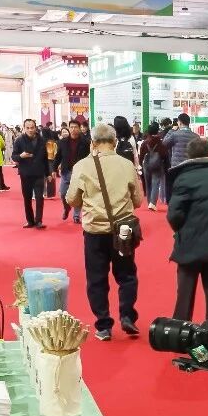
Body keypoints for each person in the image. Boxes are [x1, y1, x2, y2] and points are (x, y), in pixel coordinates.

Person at [66, 123, 144, 341]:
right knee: (127, 275)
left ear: (93, 143)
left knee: (96, 278)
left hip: (94, 231)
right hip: (123, 230)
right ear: (115, 141)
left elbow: (72, 199)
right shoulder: (126, 165)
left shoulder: (82, 166)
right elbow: (138, 200)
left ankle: (103, 325)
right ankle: (127, 315)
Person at [167, 137, 208, 322]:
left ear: (188, 156)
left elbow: (174, 215)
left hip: (190, 245)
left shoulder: (184, 178)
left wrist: (180, 230)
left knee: (184, 298)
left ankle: (181, 333)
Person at [13, 118, 50, 229]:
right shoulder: (19, 140)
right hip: (26, 174)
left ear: (35, 127)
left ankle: (38, 221)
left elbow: (45, 158)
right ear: (24, 128)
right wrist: (21, 156)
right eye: (27, 128)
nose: (30, 130)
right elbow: (14, 156)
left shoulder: (42, 140)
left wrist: (48, 173)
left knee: (39, 198)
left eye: (32, 127)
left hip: (39, 173)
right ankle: (30, 221)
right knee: (27, 198)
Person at [58, 121, 90, 224]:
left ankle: (76, 216)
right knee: (63, 193)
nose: (73, 129)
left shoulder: (85, 142)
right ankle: (66, 208)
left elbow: (89, 157)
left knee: (78, 194)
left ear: (79, 128)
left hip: (79, 172)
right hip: (66, 171)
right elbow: (58, 156)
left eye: (75, 127)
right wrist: (53, 169)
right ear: (68, 128)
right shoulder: (63, 142)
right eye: (71, 127)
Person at [140, 122, 170, 211]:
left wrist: (140, 164)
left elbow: (141, 156)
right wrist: (166, 166)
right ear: (157, 131)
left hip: (146, 165)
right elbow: (165, 155)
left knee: (148, 184)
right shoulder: (161, 143)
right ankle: (152, 203)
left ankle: (149, 201)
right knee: (155, 183)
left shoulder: (145, 143)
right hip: (158, 165)